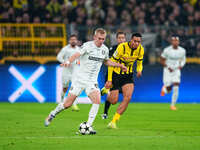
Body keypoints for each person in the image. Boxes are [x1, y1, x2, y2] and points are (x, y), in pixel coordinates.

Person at [44, 28, 127, 134]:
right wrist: (68, 61)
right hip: (79, 80)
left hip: (92, 82)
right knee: (67, 104)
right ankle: (52, 114)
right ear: (94, 37)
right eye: (99, 38)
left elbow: (106, 61)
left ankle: (89, 126)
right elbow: (76, 55)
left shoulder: (105, 49)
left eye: (103, 39)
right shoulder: (87, 46)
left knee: (97, 101)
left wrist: (119, 65)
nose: (101, 41)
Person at [106, 33, 144, 129]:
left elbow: (139, 63)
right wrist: (109, 80)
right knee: (113, 101)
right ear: (130, 40)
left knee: (128, 97)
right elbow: (111, 63)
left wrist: (139, 70)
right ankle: (105, 91)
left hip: (128, 75)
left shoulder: (140, 49)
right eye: (134, 41)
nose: (136, 43)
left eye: (138, 42)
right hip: (115, 74)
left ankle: (114, 121)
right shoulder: (121, 47)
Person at [101, 31, 126, 119]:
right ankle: (105, 112)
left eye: (123, 38)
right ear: (117, 39)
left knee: (125, 94)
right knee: (113, 100)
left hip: (123, 76)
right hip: (112, 76)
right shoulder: (112, 49)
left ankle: (106, 90)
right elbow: (109, 63)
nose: (121, 39)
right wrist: (109, 79)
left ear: (125, 39)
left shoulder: (129, 49)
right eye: (119, 38)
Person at [160, 35, 186, 110]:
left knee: (176, 86)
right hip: (167, 70)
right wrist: (168, 67)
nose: (175, 42)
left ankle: (173, 105)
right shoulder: (167, 50)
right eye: (174, 41)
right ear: (171, 42)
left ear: (178, 42)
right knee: (168, 89)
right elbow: (161, 60)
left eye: (176, 41)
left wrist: (181, 65)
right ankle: (164, 89)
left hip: (176, 70)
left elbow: (183, 60)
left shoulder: (182, 50)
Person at [57, 34, 80, 111]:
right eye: (72, 39)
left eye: (74, 39)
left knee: (75, 87)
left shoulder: (79, 49)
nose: (73, 41)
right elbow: (59, 57)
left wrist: (79, 62)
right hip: (66, 71)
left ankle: (74, 104)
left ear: (76, 41)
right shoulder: (65, 49)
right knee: (65, 88)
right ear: (69, 41)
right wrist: (65, 62)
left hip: (75, 71)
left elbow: (81, 59)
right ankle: (61, 100)